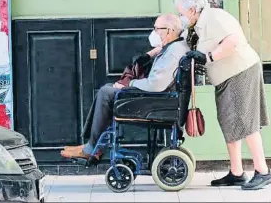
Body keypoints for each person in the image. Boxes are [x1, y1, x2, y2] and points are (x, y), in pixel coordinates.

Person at [175, 0, 271, 190]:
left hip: (240, 70)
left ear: (193, 10)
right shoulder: (195, 27)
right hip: (224, 77)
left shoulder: (215, 17)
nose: (181, 17)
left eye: (182, 13)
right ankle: (237, 172)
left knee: (245, 120)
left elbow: (233, 41)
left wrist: (209, 57)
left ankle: (263, 171)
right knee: (228, 120)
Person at [61, 14, 190, 160]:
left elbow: (156, 84)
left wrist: (129, 84)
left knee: (106, 92)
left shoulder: (173, 51)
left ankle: (92, 148)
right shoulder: (174, 46)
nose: (155, 32)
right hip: (161, 96)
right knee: (108, 89)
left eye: (157, 29)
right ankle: (91, 144)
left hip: (158, 98)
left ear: (170, 30)